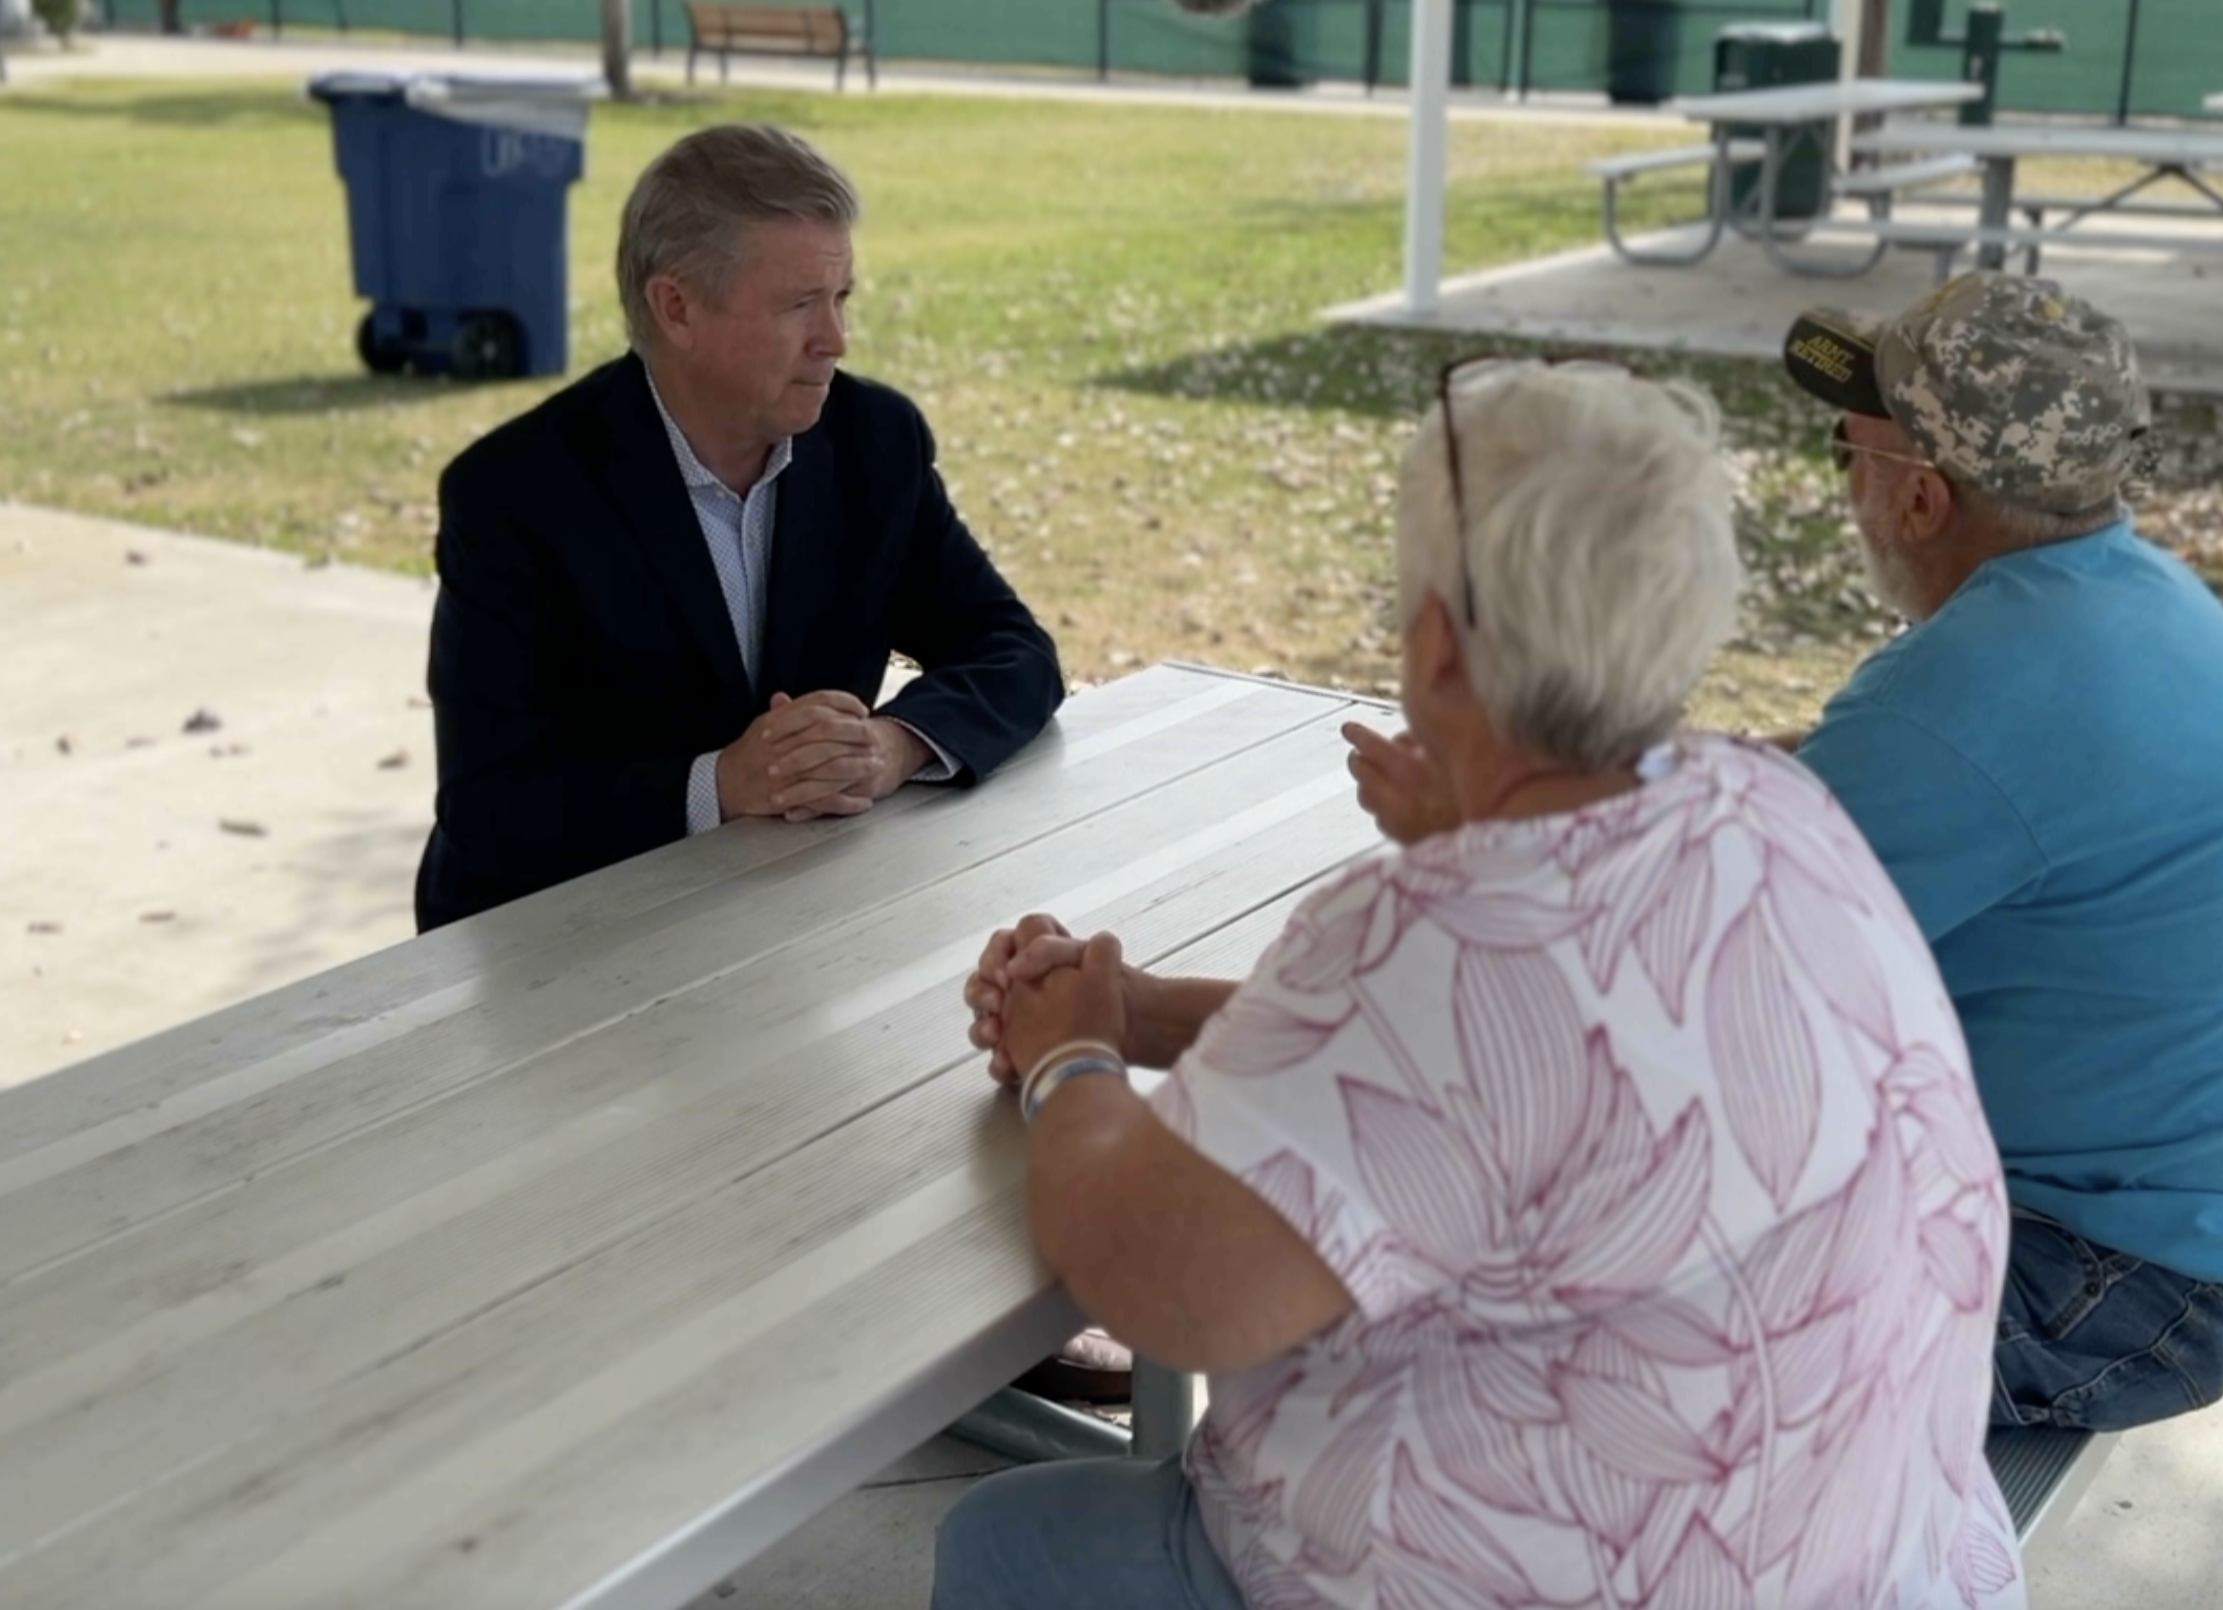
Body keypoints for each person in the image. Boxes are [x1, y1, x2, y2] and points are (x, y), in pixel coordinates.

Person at [937, 363, 2026, 1610]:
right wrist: (1139, 1013)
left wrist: (1070, 1060)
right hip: (1886, 1563)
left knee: (1009, 1540)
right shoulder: (1775, 806)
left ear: (1439, 642)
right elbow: (1470, 1080)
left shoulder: (1430, 939)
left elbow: (1163, 1289)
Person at [1764, 271, 2223, 1431]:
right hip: (2182, 1236)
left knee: (1587, 1313)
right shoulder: (2127, 596)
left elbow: (1702, 956)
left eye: (1847, 450)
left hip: (2099, 1283)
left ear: (1920, 498)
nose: (1844, 484)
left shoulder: (1962, 696)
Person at [413, 124, 1062, 932]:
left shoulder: (873, 442)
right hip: (557, 945)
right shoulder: (515, 494)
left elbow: (1015, 651)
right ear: (676, 306)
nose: (836, 339)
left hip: (788, 912)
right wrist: (722, 783)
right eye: (799, 304)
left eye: (841, 298)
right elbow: (491, 808)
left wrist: (892, 747)